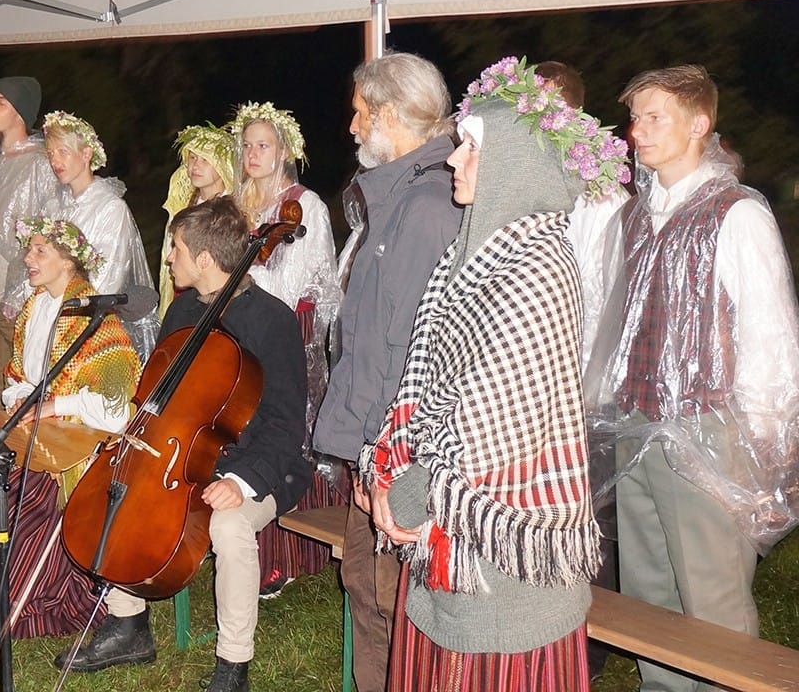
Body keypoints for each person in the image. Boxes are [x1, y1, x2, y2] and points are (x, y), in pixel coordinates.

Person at [365, 57, 625, 691]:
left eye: (471, 150)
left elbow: (493, 423)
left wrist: (404, 494)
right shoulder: (468, 254)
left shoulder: (537, 266)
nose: (453, 161)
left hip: (506, 545)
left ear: (514, 162)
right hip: (445, 535)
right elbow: (420, 386)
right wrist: (388, 468)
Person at [588, 64, 799, 692]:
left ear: (700, 124)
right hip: (634, 424)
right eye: (636, 118)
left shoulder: (737, 215)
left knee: (711, 596)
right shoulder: (631, 219)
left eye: (656, 117)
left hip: (707, 432)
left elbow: (770, 335)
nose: (637, 131)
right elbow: (611, 326)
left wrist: (763, 444)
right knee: (650, 592)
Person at [56, 197, 310, 692]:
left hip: (256, 464)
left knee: (230, 526)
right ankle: (128, 624)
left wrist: (241, 481)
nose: (169, 257)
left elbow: (286, 426)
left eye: (176, 248)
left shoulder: (273, 322)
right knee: (119, 489)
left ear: (207, 260)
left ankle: (234, 664)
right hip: (182, 456)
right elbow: (160, 395)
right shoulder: (182, 310)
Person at [311, 52, 461, 692]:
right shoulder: (401, 198)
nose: (350, 126)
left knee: (389, 599)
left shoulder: (425, 208)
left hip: (399, 450)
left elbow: (407, 353)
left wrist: (381, 461)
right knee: (369, 591)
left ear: (391, 115)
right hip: (380, 439)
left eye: (359, 111)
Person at [0, 217, 141, 637]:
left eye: (40, 250)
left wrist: (56, 404)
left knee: (2, 486)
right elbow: (18, 375)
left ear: (69, 262)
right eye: (29, 248)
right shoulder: (34, 307)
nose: (28, 258)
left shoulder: (98, 318)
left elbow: (116, 412)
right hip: (32, 436)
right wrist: (19, 396)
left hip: (76, 450)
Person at [536, 58, 629, 681]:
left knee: (592, 513)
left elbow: (603, 303)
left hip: (582, 387)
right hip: (534, 379)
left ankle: (596, 642)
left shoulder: (605, 195)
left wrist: (582, 389)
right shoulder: (529, 178)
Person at [231, 100, 340, 596]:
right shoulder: (235, 204)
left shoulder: (305, 205)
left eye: (264, 145)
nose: (254, 154)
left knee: (282, 431)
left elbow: (292, 284)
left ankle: (288, 553)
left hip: (283, 330)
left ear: (283, 152)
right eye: (248, 145)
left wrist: (241, 269)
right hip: (238, 329)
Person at [35, 110, 159, 359]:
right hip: (49, 317)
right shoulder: (52, 207)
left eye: (63, 151)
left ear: (86, 154)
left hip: (85, 325)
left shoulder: (110, 208)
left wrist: (67, 312)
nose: (55, 160)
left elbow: (106, 278)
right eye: (50, 153)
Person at [0, 76, 58, 395]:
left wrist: (18, 296)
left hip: (17, 301)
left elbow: (51, 231)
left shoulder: (41, 164)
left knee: (18, 388)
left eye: (2, 102)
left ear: (20, 112)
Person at [158, 123, 237, 320]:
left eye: (205, 160)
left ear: (222, 164)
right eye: (192, 158)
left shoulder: (233, 211)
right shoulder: (183, 205)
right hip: (184, 290)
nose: (195, 166)